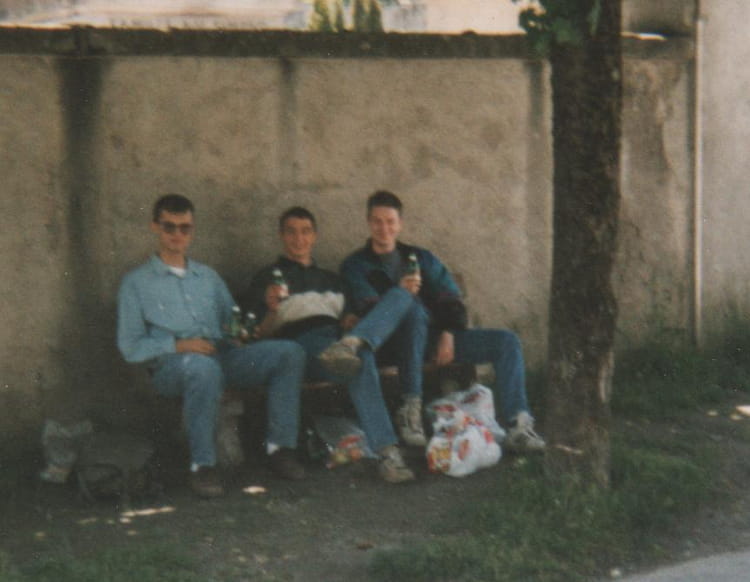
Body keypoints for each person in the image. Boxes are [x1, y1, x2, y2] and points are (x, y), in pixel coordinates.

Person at [117, 194, 308, 498]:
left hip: (221, 355)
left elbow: (235, 329)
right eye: (169, 227)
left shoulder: (207, 277)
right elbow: (130, 347)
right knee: (202, 368)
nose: (177, 235)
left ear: (192, 230)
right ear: (155, 227)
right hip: (172, 367)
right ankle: (203, 466)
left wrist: (268, 314)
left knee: (289, 353)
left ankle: (280, 449)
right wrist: (180, 345)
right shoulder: (136, 283)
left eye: (185, 228)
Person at [331, 190, 545, 453]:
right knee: (412, 308)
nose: (384, 228)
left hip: (432, 340)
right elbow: (368, 309)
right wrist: (400, 293)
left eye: (390, 221)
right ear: (368, 222)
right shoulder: (356, 265)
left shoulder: (419, 258)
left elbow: (450, 298)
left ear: (400, 224)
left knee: (506, 342)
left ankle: (518, 426)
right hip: (388, 346)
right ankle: (410, 410)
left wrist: (448, 333)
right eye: (377, 221)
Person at [240, 206, 419, 483]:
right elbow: (254, 336)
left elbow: (349, 316)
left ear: (315, 236)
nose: (299, 239)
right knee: (358, 357)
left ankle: (387, 454)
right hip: (300, 347)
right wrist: (272, 309)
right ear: (281, 236)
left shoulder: (333, 280)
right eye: (291, 232)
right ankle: (387, 451)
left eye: (305, 232)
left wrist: (350, 323)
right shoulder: (268, 278)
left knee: (400, 299)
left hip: (336, 341)